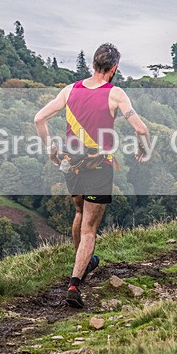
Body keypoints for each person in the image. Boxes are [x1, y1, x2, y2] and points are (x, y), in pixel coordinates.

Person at [34, 43, 151, 307]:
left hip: (71, 164)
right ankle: (75, 284)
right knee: (89, 228)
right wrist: (144, 150)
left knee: (79, 213)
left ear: (93, 65)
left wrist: (51, 150)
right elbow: (141, 129)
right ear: (114, 69)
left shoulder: (69, 90)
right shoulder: (116, 94)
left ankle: (83, 260)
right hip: (98, 167)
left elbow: (38, 119)